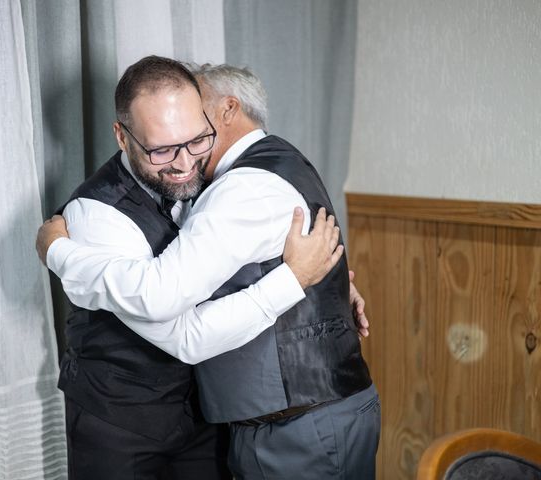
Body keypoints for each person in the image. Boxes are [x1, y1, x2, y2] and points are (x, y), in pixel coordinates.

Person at [38, 57, 378, 479]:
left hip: (207, 418)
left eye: (197, 139)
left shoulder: (223, 180)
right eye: (162, 150)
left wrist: (325, 289)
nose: (184, 163)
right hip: (122, 419)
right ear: (122, 138)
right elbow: (174, 319)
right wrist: (57, 252)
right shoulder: (96, 215)